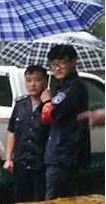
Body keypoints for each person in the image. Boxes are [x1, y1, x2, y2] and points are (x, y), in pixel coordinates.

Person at [39, 45, 90, 200]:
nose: (57, 68)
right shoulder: (63, 87)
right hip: (60, 153)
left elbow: (52, 114)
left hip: (64, 154)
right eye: (53, 64)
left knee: (56, 199)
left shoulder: (74, 87)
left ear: (73, 62)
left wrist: (47, 100)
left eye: (62, 62)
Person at [3, 65, 50, 202]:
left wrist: (48, 102)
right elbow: (12, 131)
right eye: (28, 80)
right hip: (21, 163)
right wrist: (8, 158)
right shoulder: (20, 105)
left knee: (39, 200)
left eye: (37, 80)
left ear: (45, 81)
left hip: (41, 165)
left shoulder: (50, 106)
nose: (32, 84)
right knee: (20, 199)